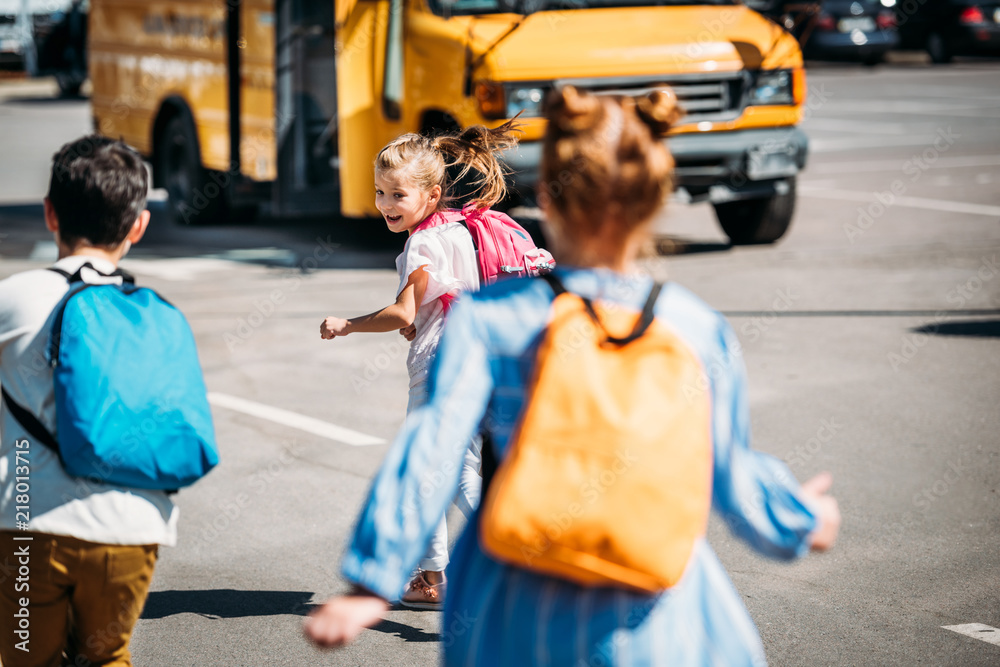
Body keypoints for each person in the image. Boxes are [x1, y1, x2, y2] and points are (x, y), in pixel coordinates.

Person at [305, 87, 840, 664]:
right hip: (657, 606)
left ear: (550, 202)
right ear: (654, 201)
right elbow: (730, 469)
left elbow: (429, 452)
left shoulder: (493, 323)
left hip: (518, 608)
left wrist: (370, 584)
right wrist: (799, 519)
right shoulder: (695, 326)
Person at [318, 122, 520, 609]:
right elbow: (443, 300)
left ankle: (475, 568)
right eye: (380, 192)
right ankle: (452, 573)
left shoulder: (423, 243)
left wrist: (347, 323)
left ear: (432, 194)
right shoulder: (461, 229)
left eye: (397, 194)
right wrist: (421, 318)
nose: (386, 203)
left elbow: (403, 313)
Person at [0, 136, 166, 667]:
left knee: (30, 660)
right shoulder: (153, 312)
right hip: (132, 531)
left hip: (29, 526)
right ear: (138, 225)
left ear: (50, 214)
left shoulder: (12, 298)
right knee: (107, 658)